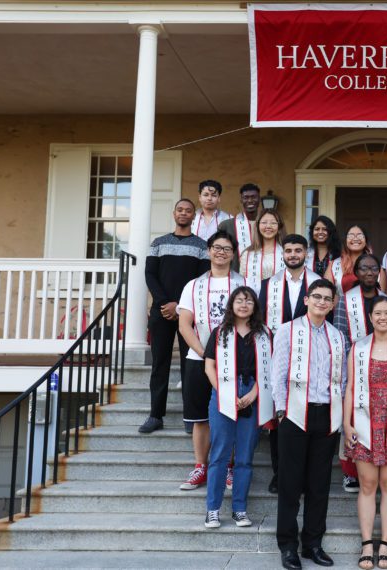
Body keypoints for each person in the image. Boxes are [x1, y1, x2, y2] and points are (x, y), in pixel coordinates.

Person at [272, 279, 346, 570]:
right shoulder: (288, 330)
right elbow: (278, 372)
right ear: (306, 299)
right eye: (317, 297)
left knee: (319, 483)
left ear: (333, 303)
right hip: (294, 413)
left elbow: (340, 378)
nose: (322, 302)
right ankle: (288, 545)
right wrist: (280, 411)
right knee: (290, 484)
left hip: (326, 413)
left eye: (327, 298)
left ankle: (313, 543)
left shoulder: (337, 336)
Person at [343, 297, 387, 570]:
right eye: (378, 313)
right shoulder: (357, 348)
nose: (383, 317)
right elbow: (350, 388)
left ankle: (384, 543)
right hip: (363, 421)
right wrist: (347, 424)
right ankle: (366, 543)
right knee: (367, 484)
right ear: (370, 317)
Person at [176, 231, 247, 491]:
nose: (221, 252)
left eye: (227, 248)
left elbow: (249, 321)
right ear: (208, 251)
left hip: (233, 360)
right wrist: (206, 353)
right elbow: (185, 325)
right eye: (217, 247)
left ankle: (226, 466)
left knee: (228, 415)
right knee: (199, 417)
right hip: (198, 357)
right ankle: (200, 466)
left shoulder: (243, 283)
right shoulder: (193, 285)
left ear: (233, 253)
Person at [202, 286, 272, 529]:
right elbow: (209, 366)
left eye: (249, 301)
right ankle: (212, 509)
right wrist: (225, 392)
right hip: (223, 393)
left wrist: (254, 394)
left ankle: (239, 509)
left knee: (244, 457)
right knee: (219, 454)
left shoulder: (263, 334)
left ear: (255, 306)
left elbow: (269, 371)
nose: (244, 305)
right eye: (239, 300)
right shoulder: (220, 332)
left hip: (253, 392)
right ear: (231, 304)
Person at [139, 199, 210, 434]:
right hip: (161, 312)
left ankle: (192, 417)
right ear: (174, 213)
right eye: (180, 210)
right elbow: (150, 274)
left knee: (191, 365)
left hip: (188, 313)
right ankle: (155, 415)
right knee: (160, 363)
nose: (183, 213)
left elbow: (201, 280)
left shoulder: (201, 246)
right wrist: (164, 303)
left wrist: (179, 306)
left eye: (188, 211)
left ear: (193, 216)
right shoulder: (159, 243)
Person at [258, 233, 321, 494]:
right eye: (289, 251)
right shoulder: (268, 285)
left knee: (306, 417)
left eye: (298, 250)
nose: (293, 254)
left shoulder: (318, 283)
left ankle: (306, 475)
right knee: (280, 419)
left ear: (306, 253)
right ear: (282, 254)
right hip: (279, 358)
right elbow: (260, 321)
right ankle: (279, 472)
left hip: (311, 358)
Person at [333, 252, 386, 494]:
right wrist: (353, 361)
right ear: (356, 272)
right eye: (363, 268)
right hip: (352, 364)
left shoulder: (386, 299)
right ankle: (349, 471)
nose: (368, 273)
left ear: (379, 272)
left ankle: (375, 462)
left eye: (373, 268)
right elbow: (340, 332)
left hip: (381, 365)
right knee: (351, 417)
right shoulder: (346, 299)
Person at [218, 183, 261, 269]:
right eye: (246, 197)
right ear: (241, 200)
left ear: (259, 199)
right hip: (236, 274)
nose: (250, 200)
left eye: (253, 197)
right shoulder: (226, 226)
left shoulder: (269, 226)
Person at [240, 208, 285, 288]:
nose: (268, 226)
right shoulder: (247, 254)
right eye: (264, 222)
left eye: (273, 223)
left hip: (279, 297)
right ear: (257, 226)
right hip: (254, 297)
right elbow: (243, 281)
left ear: (279, 227)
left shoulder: (286, 252)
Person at [325, 223, 372, 294]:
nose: (355, 238)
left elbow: (382, 292)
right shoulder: (334, 265)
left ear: (365, 241)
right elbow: (326, 292)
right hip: (341, 304)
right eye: (351, 235)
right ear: (346, 241)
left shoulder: (375, 265)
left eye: (360, 235)